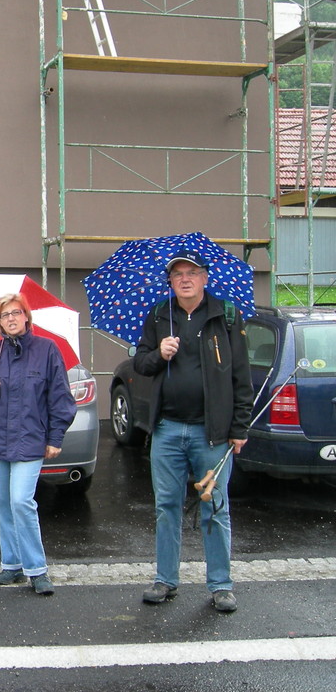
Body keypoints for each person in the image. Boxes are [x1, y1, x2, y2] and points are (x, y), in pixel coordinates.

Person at [133, 249, 253, 613]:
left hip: (211, 433)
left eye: (192, 273)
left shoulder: (225, 316)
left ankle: (220, 584)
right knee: (166, 506)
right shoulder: (158, 315)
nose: (185, 279)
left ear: (204, 278)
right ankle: (166, 579)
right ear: (170, 281)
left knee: (215, 508)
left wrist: (239, 427)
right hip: (167, 429)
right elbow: (140, 363)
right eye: (178, 274)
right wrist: (160, 354)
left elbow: (241, 377)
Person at [0, 292, 76, 596]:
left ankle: (37, 569)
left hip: (30, 440)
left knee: (21, 502)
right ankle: (12, 564)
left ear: (27, 316)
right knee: (2, 504)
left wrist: (56, 437)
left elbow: (60, 398)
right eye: (5, 315)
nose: (11, 319)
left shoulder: (47, 350)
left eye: (16, 312)